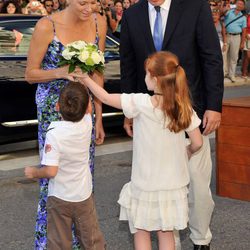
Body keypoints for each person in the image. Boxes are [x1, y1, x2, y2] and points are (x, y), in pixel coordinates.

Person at [120, 0, 224, 249]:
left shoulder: (194, 7)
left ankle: (201, 239)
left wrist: (214, 106)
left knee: (197, 184)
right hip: (151, 120)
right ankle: (171, 243)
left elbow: (211, 57)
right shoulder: (132, 14)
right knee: (159, 186)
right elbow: (128, 65)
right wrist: (129, 113)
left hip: (190, 113)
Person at [76, 51, 203, 250]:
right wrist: (185, 153)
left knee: (141, 231)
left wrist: (85, 78)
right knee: (166, 233)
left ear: (155, 79)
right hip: (173, 184)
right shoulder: (183, 107)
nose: (145, 78)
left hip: (145, 182)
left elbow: (106, 97)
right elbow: (198, 143)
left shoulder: (141, 103)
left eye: (146, 74)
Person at [25, 0, 107, 248]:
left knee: (81, 178)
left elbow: (98, 75)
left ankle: (81, 241)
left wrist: (98, 118)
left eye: (94, 2)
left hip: (85, 113)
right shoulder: (46, 26)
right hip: (53, 112)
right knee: (54, 179)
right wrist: (61, 71)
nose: (89, 8)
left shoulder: (98, 22)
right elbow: (30, 74)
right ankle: (51, 243)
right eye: (83, 2)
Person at [24, 82, 105, 250]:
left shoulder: (54, 134)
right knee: (91, 239)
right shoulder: (87, 123)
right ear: (87, 107)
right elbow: (88, 106)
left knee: (60, 241)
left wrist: (34, 173)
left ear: (57, 106)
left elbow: (51, 171)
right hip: (83, 196)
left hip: (60, 197)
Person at [224, 0, 247, 82]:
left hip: (237, 37)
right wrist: (225, 8)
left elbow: (244, 30)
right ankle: (224, 73)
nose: (239, 5)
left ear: (243, 7)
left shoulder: (243, 17)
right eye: (238, 3)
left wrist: (242, 42)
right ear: (235, 4)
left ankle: (232, 74)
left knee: (234, 57)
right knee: (224, 55)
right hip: (226, 36)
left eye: (241, 4)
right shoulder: (229, 12)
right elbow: (222, 14)